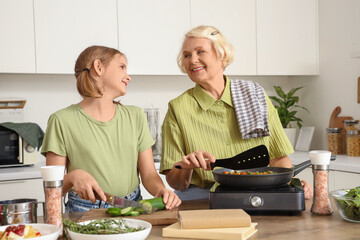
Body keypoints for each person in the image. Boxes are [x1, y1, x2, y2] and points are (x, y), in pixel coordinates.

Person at [159, 25, 313, 200]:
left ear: (222, 57)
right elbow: (176, 182)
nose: (192, 60)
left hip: (259, 195)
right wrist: (186, 166)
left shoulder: (255, 95)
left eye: (200, 52)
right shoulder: (178, 108)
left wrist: (292, 182)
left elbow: (278, 159)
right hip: (201, 199)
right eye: (187, 55)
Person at [41, 45, 181, 212]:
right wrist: (72, 177)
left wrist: (161, 190)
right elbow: (52, 192)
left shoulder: (135, 116)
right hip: (84, 209)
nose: (128, 77)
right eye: (122, 67)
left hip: (132, 206)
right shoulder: (61, 120)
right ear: (98, 67)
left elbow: (149, 174)